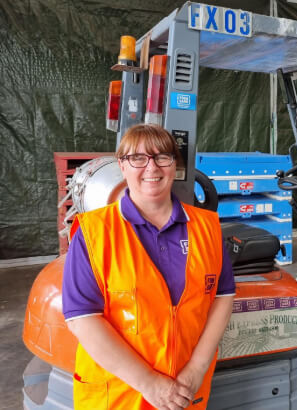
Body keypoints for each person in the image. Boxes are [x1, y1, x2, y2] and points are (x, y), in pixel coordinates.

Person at [62, 124, 235, 410]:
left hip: (185, 390)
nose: (151, 167)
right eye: (138, 158)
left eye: (162, 157)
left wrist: (196, 369)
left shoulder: (207, 227)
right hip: (119, 394)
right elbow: (82, 318)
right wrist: (150, 384)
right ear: (122, 166)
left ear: (174, 165)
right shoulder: (94, 233)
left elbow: (222, 296)